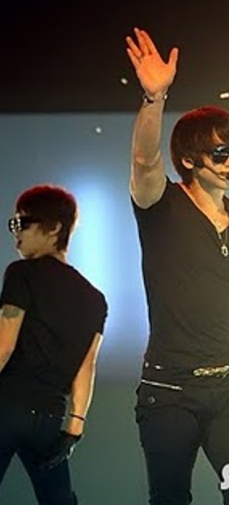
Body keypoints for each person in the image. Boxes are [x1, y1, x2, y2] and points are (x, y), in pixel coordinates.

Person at [125, 28, 229, 505]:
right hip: (169, 390)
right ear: (188, 159)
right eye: (220, 153)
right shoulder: (161, 205)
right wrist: (155, 96)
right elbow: (144, 160)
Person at [0, 185, 107, 505]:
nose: (16, 232)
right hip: (48, 418)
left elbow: (4, 346)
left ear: (54, 228)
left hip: (7, 405)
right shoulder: (95, 299)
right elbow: (86, 368)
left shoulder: (21, 273)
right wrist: (74, 428)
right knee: (58, 499)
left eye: (22, 223)